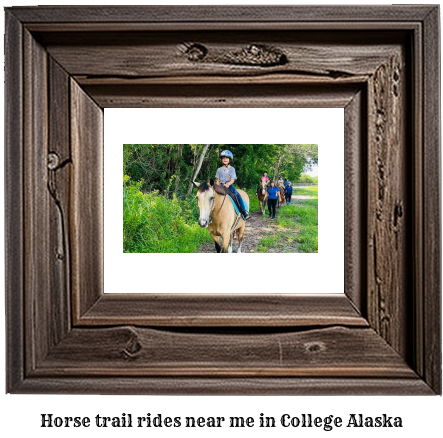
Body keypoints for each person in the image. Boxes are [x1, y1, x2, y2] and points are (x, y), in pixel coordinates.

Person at [215, 150, 251, 220]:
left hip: (229, 187)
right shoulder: (219, 170)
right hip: (221, 187)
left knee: (237, 195)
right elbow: (218, 180)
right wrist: (216, 187)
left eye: (226, 158)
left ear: (229, 159)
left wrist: (228, 184)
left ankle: (244, 212)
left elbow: (233, 179)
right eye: (223, 158)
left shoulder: (232, 169)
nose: (225, 159)